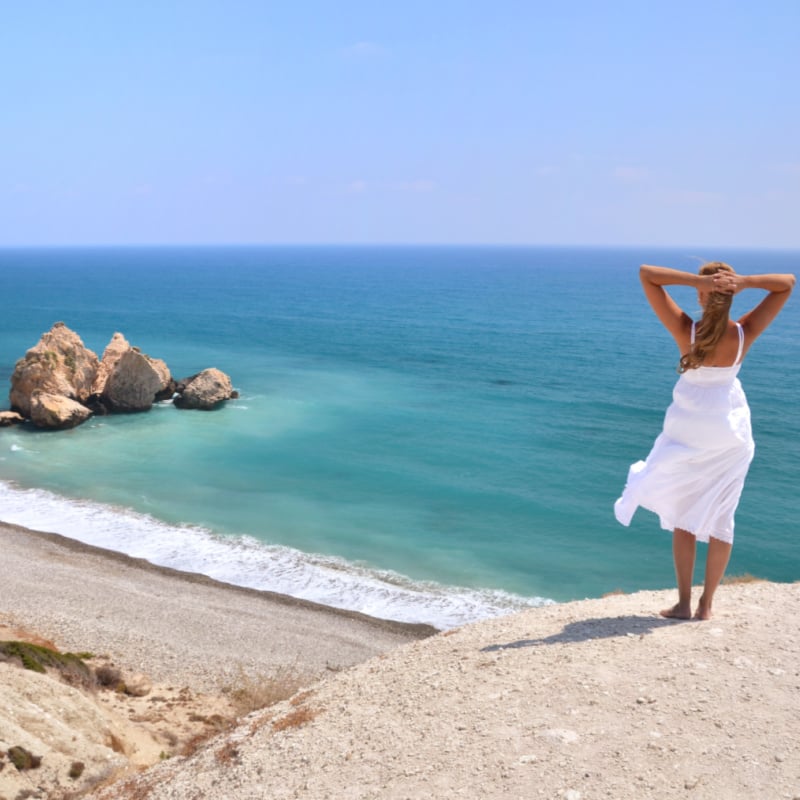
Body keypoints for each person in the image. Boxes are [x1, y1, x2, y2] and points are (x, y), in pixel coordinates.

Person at [614, 262, 795, 620]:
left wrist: (697, 280)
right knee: (722, 516)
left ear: (701, 294)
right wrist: (744, 282)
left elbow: (646, 274)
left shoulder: (687, 332)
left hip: (689, 429)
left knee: (685, 516)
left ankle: (683, 603)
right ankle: (706, 605)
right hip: (729, 433)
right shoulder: (744, 333)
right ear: (729, 294)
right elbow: (787, 283)